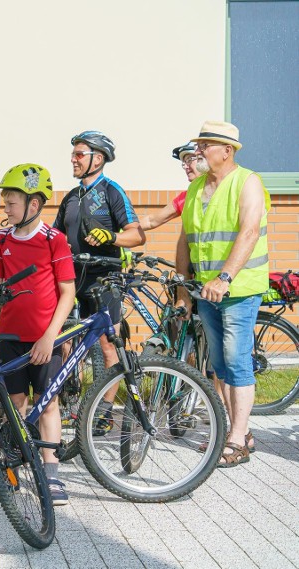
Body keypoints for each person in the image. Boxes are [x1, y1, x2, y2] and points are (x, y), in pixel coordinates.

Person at [0, 164, 76, 506]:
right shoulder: (0, 240)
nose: (5, 208)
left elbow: (67, 293)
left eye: (11, 202)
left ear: (33, 204)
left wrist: (51, 337)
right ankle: (11, 470)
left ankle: (51, 474)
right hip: (11, 338)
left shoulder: (53, 240)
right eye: (5, 201)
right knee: (14, 404)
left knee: (48, 404)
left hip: (46, 339)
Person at [175, 121, 268, 468]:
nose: (199, 150)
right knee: (218, 364)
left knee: (236, 359)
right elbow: (185, 239)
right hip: (205, 291)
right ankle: (236, 431)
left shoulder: (248, 182)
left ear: (227, 151)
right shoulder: (198, 187)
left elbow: (249, 231)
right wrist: (184, 290)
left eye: (206, 145)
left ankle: (237, 439)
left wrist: (226, 277)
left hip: (238, 289)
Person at [53, 131, 145, 434]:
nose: (73, 159)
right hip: (72, 279)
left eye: (79, 154)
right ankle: (72, 402)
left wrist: (113, 237)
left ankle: (104, 411)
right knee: (65, 342)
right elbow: (56, 238)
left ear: (98, 158)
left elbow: (137, 234)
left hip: (105, 279)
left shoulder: (111, 191)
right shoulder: (71, 197)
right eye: (73, 154)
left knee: (108, 347)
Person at [140, 142, 199, 231]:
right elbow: (151, 221)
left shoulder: (225, 189)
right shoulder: (186, 197)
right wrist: (123, 231)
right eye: (184, 162)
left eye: (189, 160)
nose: (186, 166)